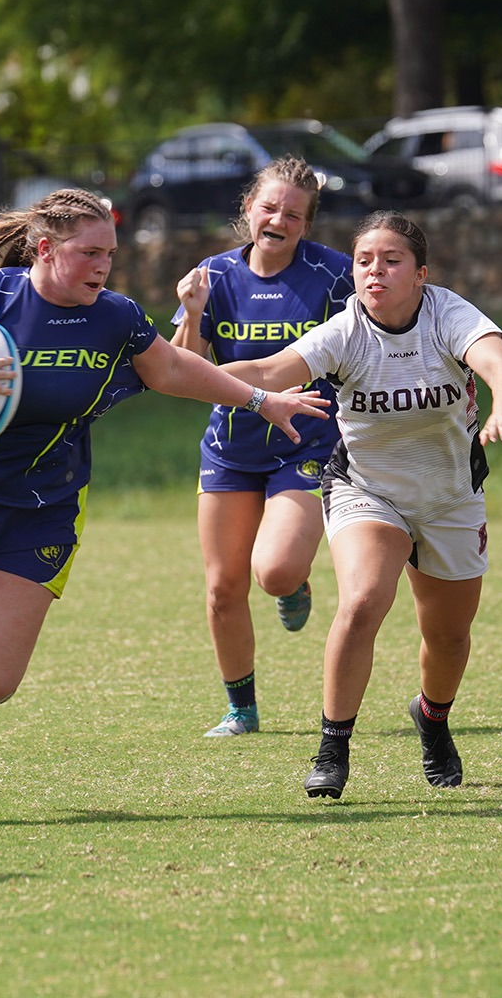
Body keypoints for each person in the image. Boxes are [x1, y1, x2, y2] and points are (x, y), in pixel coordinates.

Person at [0, 188, 328, 828]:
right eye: (89, 252)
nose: (103, 266)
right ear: (45, 249)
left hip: (43, 505)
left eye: (110, 255)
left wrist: (261, 402)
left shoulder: (114, 317)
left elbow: (173, 370)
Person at [217, 211, 502, 798]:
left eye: (391, 260)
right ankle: (333, 747)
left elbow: (496, 363)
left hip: (450, 497)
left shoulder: (447, 313)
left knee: (449, 637)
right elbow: (267, 369)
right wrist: (179, 374)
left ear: (420, 273)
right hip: (366, 488)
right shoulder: (345, 331)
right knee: (362, 602)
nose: (375, 271)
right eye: (363, 261)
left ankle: (432, 719)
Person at [169, 155, 355, 738]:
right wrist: (193, 314)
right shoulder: (214, 276)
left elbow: (364, 345)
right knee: (224, 588)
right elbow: (184, 371)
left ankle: (295, 581)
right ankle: (241, 710)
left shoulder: (334, 275)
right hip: (230, 448)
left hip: (307, 443)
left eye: (293, 215)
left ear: (307, 224)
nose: (279, 219)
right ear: (249, 209)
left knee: (272, 572)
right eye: (269, 207)